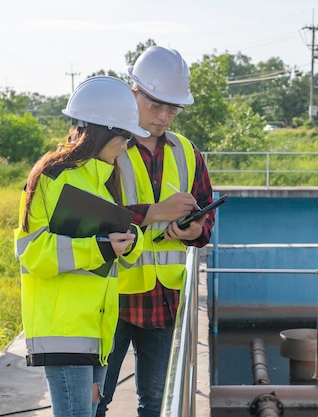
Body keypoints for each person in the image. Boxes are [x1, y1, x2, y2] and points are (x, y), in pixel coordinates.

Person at [14, 75, 150, 417]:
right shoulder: (51, 175)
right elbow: (32, 252)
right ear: (102, 131)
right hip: (64, 330)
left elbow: (125, 240)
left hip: (97, 330)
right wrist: (101, 248)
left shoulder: (106, 182)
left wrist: (129, 242)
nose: (127, 144)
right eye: (125, 136)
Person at [97, 46, 215, 417]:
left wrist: (194, 230)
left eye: (173, 109)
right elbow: (90, 218)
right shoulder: (106, 148)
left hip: (165, 298)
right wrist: (152, 213)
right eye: (156, 106)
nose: (164, 117)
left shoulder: (187, 152)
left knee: (157, 403)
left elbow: (206, 215)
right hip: (112, 298)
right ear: (135, 93)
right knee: (96, 399)